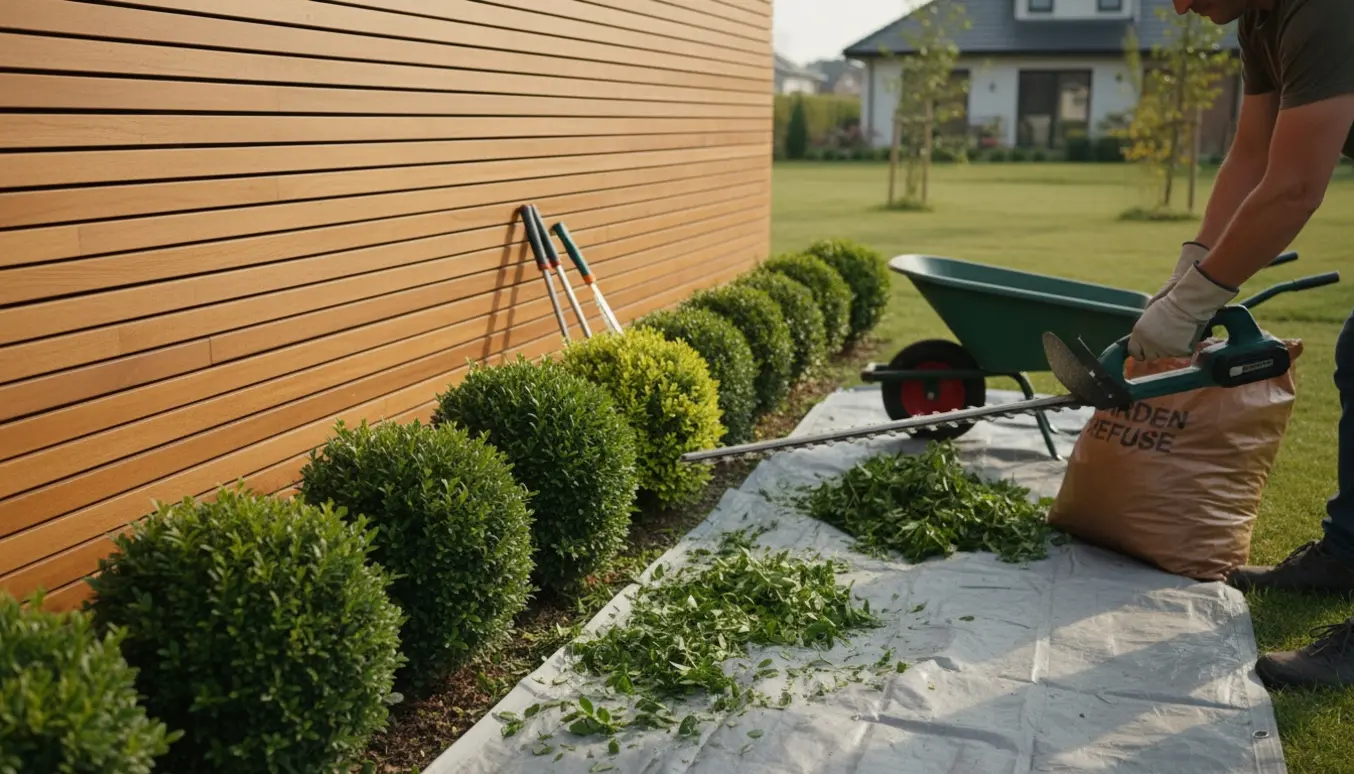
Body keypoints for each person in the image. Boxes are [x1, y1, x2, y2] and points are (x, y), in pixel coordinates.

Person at [1130, 0, 1354, 690]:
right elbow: (1253, 156)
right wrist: (1189, 269)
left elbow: (1292, 189)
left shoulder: (1324, 8)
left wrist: (1198, 301)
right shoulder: (1260, 18)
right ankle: (1348, 554)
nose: (1179, 5)